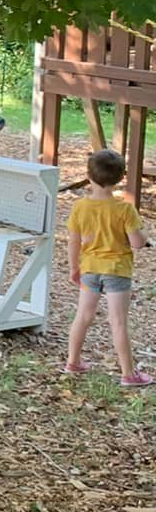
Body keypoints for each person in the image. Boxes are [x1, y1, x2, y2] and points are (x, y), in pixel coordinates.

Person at [64, 149, 150, 387]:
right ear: (120, 178)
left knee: (83, 316)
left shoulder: (80, 207)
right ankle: (128, 374)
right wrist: (144, 233)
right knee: (118, 321)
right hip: (117, 270)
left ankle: (73, 362)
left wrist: (74, 267)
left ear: (88, 176)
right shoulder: (124, 209)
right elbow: (137, 243)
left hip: (89, 269)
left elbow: (73, 241)